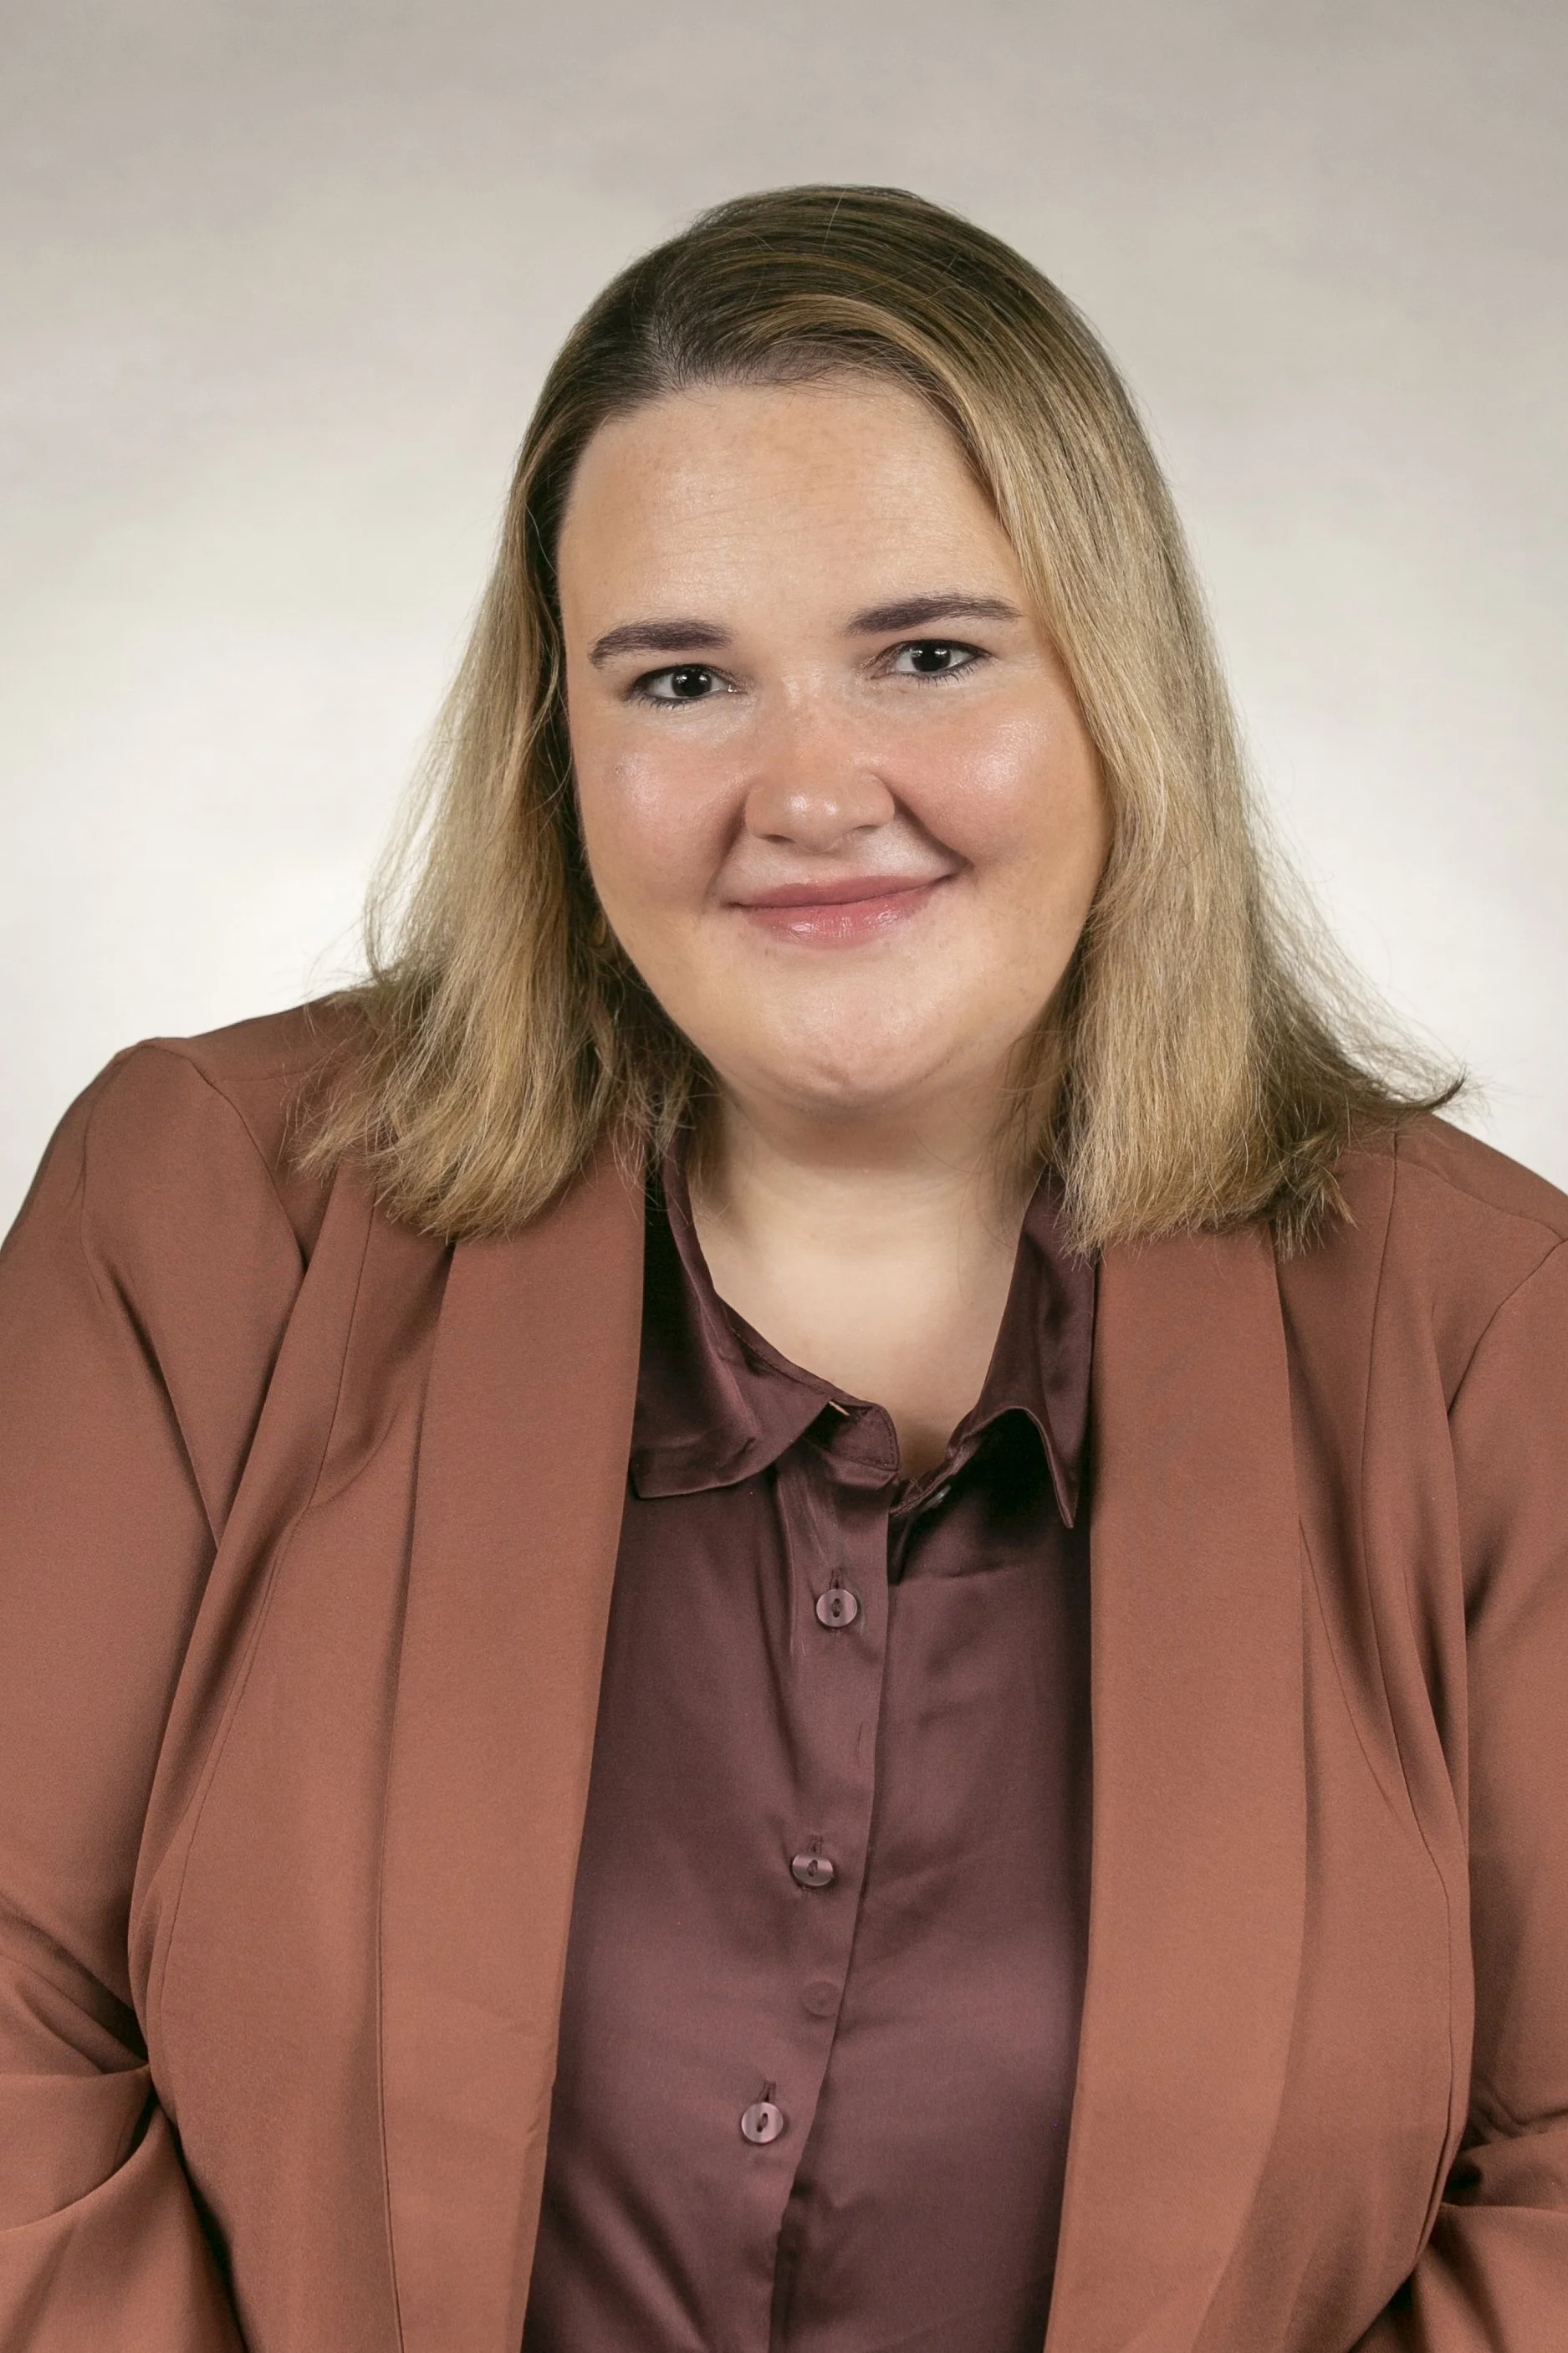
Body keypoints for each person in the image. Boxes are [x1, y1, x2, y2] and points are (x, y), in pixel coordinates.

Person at [0, 183, 1564, 2353]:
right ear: (561, 749)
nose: (813, 787)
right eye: (684, 677)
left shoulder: (1494, 1337)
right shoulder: (195, 1220)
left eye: (929, 653)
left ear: (1122, 688)